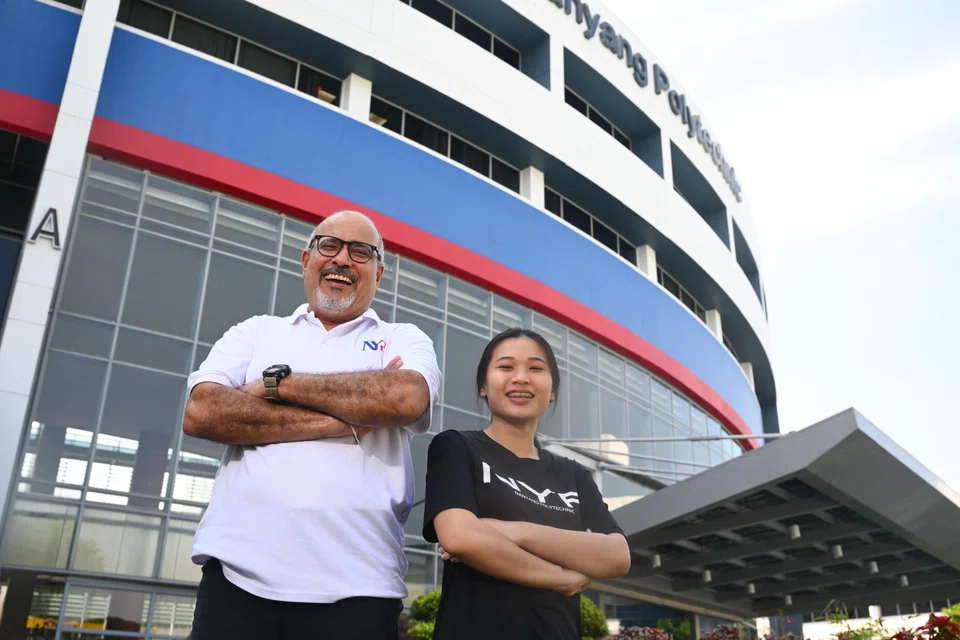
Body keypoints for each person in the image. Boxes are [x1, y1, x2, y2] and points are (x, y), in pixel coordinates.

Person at [182, 210, 441, 639]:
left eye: (360, 251)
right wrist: (347, 419)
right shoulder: (256, 331)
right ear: (306, 260)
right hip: (237, 580)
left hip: (361, 586)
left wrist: (274, 384)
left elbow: (403, 398)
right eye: (329, 245)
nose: (342, 259)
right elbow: (202, 412)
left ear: (379, 271)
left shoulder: (404, 338)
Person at [422, 328, 631, 639]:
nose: (520, 378)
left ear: (554, 389)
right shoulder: (456, 448)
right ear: (483, 385)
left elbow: (617, 556)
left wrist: (510, 531)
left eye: (536, 368)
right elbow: (460, 538)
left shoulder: (574, 475)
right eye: (506, 367)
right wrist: (560, 577)